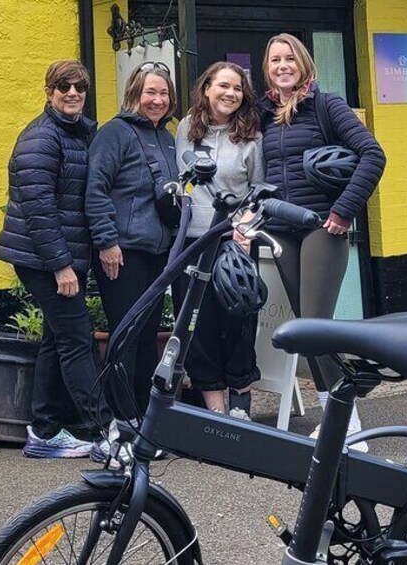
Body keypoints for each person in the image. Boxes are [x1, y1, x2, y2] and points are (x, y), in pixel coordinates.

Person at [259, 34, 386, 450]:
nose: (282, 66)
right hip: (282, 230)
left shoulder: (326, 105)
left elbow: (373, 154)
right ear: (267, 68)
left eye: (289, 58)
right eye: (275, 60)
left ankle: (347, 422)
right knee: (302, 327)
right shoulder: (265, 113)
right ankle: (339, 417)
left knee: (314, 324)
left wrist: (343, 210)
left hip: (321, 228)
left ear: (303, 63)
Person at [0, 60, 113, 458]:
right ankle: (106, 434)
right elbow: (39, 211)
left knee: (55, 338)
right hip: (43, 258)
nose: (73, 93)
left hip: (60, 256)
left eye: (80, 87)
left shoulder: (81, 133)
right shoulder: (41, 139)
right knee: (77, 339)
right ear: (49, 92)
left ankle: (44, 431)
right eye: (64, 87)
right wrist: (61, 266)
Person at [86, 62, 178, 421]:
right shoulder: (115, 134)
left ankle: (145, 419)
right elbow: (95, 191)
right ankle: (121, 421)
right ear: (134, 94)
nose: (157, 100)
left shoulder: (167, 138)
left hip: (158, 253)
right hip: (122, 253)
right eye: (150, 92)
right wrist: (106, 242)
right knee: (125, 338)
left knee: (147, 336)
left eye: (164, 93)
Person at [174, 61, 264, 419]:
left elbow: (259, 190)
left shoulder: (251, 135)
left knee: (238, 325)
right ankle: (216, 413)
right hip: (192, 243)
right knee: (199, 326)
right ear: (207, 88)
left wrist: (246, 227)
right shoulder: (185, 129)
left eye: (238, 88)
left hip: (234, 241)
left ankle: (240, 408)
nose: (230, 93)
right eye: (224, 85)